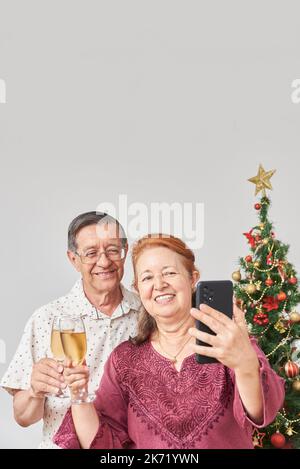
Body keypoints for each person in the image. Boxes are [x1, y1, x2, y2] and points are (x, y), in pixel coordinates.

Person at [53, 234, 285, 449]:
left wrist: (245, 365)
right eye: (147, 277)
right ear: (138, 289)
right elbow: (103, 444)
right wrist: (78, 392)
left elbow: (260, 413)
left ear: (192, 278)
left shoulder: (228, 341)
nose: (159, 284)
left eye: (170, 273)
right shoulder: (123, 360)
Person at [0, 212, 140, 448]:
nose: (104, 262)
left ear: (125, 252)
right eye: (91, 253)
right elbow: (23, 417)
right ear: (73, 259)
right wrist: (35, 390)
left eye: (113, 250)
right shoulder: (47, 319)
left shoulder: (149, 315)